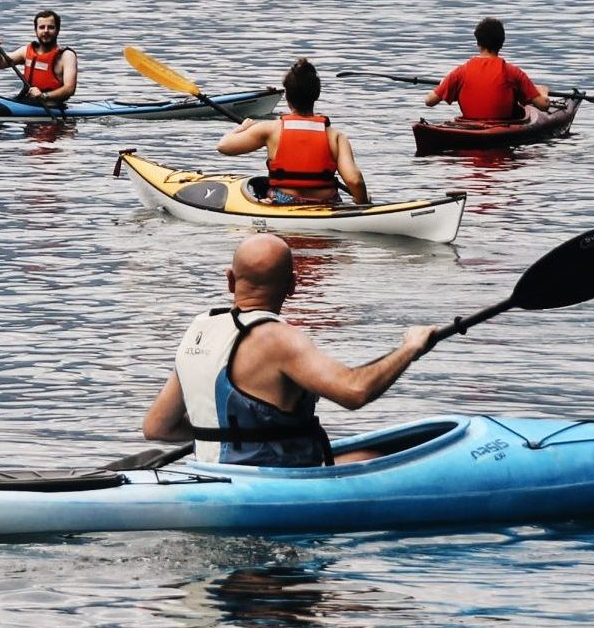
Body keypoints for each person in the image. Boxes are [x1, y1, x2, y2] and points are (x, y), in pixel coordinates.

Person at [142, 234, 438, 466]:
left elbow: (158, 427)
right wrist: (409, 349)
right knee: (374, 458)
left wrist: (224, 435)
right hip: (273, 481)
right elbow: (355, 391)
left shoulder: (200, 329)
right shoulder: (279, 339)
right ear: (293, 285)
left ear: (230, 279)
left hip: (213, 472)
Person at [217, 57, 367, 204]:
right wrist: (362, 202)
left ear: (287, 97)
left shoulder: (270, 129)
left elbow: (224, 146)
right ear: (316, 95)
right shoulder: (336, 136)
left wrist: (243, 127)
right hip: (326, 202)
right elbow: (354, 181)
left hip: (284, 200)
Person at [424, 16, 550, 121]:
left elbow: (429, 101)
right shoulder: (513, 73)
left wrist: (443, 84)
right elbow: (543, 105)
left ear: (478, 42)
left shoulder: (460, 72)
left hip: (470, 127)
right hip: (500, 130)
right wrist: (543, 92)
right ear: (502, 43)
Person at [0, 8, 78, 104]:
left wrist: (44, 96)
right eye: (42, 27)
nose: (46, 31)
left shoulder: (66, 56)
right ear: (36, 30)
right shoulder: (26, 51)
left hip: (52, 106)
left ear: (58, 30)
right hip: (25, 101)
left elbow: (69, 89)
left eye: (51, 27)